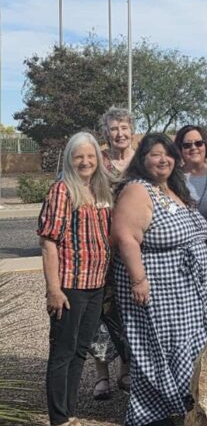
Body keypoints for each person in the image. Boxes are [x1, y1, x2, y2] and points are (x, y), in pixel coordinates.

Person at [111, 133, 207, 426]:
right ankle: (149, 411)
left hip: (187, 287)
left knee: (188, 342)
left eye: (168, 154)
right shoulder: (137, 190)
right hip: (157, 283)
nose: (163, 160)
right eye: (155, 155)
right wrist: (138, 280)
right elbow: (126, 237)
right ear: (142, 159)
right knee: (159, 343)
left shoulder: (173, 187)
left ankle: (183, 396)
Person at [38, 132, 113, 426]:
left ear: (98, 159)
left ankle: (69, 414)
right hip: (70, 286)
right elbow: (48, 242)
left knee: (80, 351)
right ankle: (58, 420)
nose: (85, 161)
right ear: (69, 158)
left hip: (95, 286)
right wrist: (53, 289)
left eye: (90, 156)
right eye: (79, 156)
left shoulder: (97, 190)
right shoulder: (62, 190)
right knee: (63, 352)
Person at [90, 107, 134, 399]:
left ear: (132, 130)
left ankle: (128, 370)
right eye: (113, 129)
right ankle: (102, 376)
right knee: (101, 312)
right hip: (102, 246)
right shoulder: (98, 162)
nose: (119, 134)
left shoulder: (142, 160)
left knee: (131, 309)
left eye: (123, 128)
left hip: (133, 244)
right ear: (106, 134)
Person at [174, 125, 207, 318]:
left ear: (206, 145)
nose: (193, 148)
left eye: (198, 143)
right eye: (186, 145)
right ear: (179, 149)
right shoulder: (172, 177)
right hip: (185, 258)